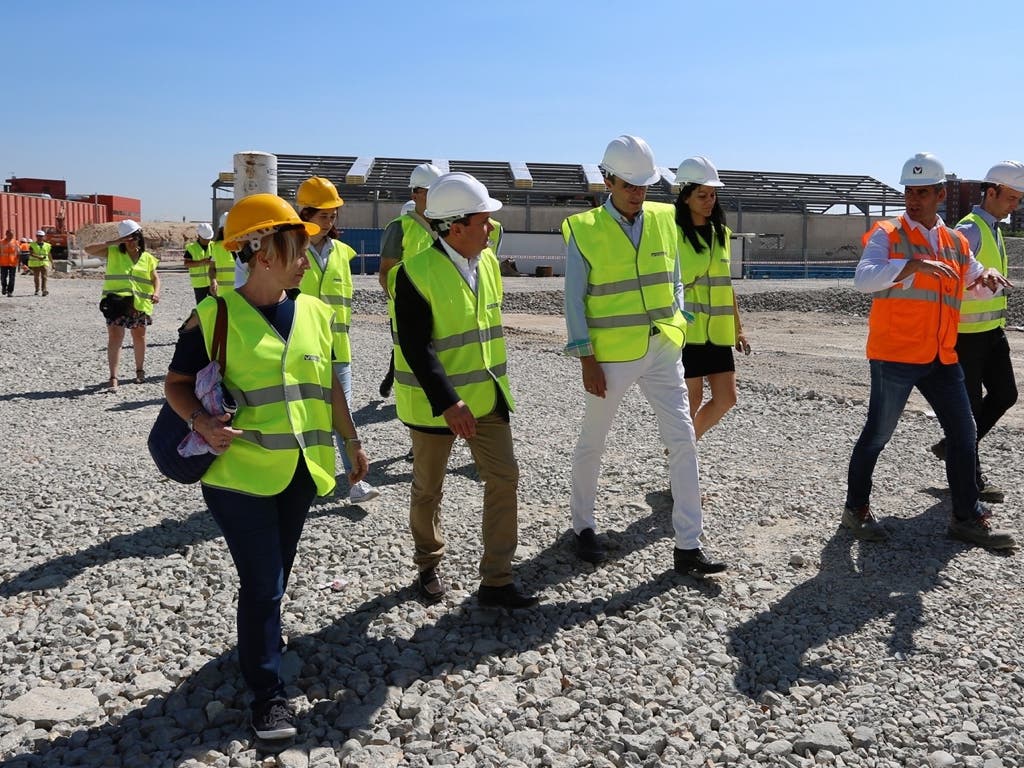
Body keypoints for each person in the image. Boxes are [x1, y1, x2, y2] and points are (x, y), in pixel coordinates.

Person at [163, 193, 369, 741]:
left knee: (275, 576)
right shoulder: (212, 314)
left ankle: (260, 646)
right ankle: (267, 696)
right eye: (295, 248)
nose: (306, 259)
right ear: (259, 251)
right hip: (238, 479)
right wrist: (200, 424)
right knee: (263, 582)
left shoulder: (315, 312)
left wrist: (351, 442)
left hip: (300, 470)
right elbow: (177, 385)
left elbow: (326, 387)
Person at [562, 135, 726, 576]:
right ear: (607, 179)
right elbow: (573, 300)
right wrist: (586, 358)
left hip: (663, 350)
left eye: (644, 184)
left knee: (683, 441)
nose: (638, 192)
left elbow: (673, 276)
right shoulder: (583, 228)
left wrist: (677, 319)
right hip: (610, 357)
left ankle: (689, 546)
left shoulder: (661, 219)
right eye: (629, 184)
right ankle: (582, 528)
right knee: (593, 442)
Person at [842, 152, 1015, 549]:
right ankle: (856, 509)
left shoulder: (954, 240)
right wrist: (911, 265)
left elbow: (971, 272)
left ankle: (966, 517)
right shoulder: (888, 234)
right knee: (878, 434)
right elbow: (863, 279)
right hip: (895, 355)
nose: (913, 199)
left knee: (965, 430)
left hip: (941, 355)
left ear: (940, 194)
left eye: (923, 192)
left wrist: (985, 275)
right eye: (909, 191)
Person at [393, 172, 538, 609]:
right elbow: (416, 347)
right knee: (428, 489)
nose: (491, 227)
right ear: (455, 228)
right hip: (436, 406)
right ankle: (428, 564)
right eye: (483, 220)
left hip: (488, 398)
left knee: (504, 479)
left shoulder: (489, 263)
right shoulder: (413, 273)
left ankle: (497, 579)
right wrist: (448, 401)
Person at [929, 161, 1022, 504]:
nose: (1016, 205)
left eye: (1019, 199)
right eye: (1011, 197)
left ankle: (951, 445)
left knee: (1005, 395)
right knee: (967, 411)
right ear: (991, 192)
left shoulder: (993, 227)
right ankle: (970, 480)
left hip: (992, 332)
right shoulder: (969, 229)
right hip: (965, 336)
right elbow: (944, 276)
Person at [295, 176, 379, 504]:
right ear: (305, 214)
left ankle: (355, 484)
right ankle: (303, 480)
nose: (329, 222)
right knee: (304, 418)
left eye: (333, 216)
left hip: (338, 351)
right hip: (299, 351)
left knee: (343, 418)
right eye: (323, 216)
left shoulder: (344, 253)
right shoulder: (291, 248)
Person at [674, 156, 750, 439]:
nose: (709, 201)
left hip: (717, 333)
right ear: (685, 197)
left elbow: (725, 285)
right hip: (688, 331)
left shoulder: (722, 234)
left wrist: (738, 329)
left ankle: (681, 448)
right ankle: (682, 457)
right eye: (702, 195)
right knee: (690, 402)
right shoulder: (673, 234)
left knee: (727, 398)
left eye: (713, 195)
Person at [378, 163, 443, 398]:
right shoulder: (399, 228)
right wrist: (404, 303)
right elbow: (386, 274)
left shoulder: (447, 225)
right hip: (410, 310)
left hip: (443, 306)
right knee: (413, 358)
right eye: (430, 190)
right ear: (415, 193)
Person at [85, 220, 161, 388]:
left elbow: (155, 278)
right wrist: (114, 242)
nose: (131, 241)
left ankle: (140, 371)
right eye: (127, 238)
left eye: (133, 237)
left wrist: (156, 292)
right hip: (116, 303)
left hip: (139, 304)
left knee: (139, 337)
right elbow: (88, 249)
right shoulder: (113, 251)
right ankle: (113, 377)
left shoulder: (147, 258)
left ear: (139, 237)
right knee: (115, 338)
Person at [184, 222, 215, 303]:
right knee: (201, 306)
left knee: (215, 305)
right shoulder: (191, 248)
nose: (207, 241)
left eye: (209, 239)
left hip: (213, 281)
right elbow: (186, 264)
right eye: (205, 239)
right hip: (199, 284)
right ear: (199, 236)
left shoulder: (214, 246)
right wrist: (201, 263)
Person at [209, 212, 237, 297]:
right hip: (223, 294)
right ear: (222, 229)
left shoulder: (242, 244)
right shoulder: (216, 247)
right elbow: (212, 268)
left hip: (241, 293)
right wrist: (213, 280)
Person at [28, 230, 52, 296]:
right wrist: (38, 257)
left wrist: (52, 263)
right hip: (35, 264)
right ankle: (37, 289)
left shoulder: (47, 245)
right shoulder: (32, 245)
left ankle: (44, 290)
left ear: (43, 237)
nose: (40, 237)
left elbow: (49, 254)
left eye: (41, 236)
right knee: (36, 277)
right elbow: (31, 253)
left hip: (44, 263)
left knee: (44, 277)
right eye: (38, 236)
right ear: (36, 236)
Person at [0, 229, 18, 296]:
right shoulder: (1, 242)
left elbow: (18, 252)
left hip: (13, 263)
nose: (11, 236)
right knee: (3, 277)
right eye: (10, 234)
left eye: (12, 235)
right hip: (3, 263)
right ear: (6, 234)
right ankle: (4, 287)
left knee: (12, 278)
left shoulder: (16, 242)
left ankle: (10, 291)